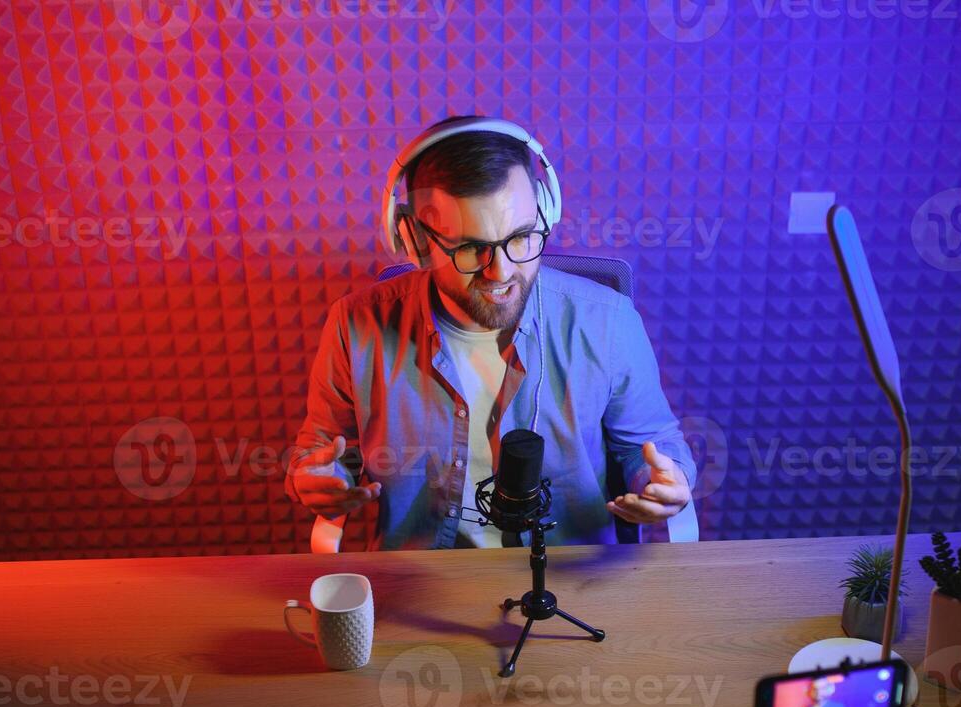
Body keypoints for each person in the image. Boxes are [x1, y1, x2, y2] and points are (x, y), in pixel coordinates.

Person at [285, 116, 697, 549]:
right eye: (469, 247)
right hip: (421, 578)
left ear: (545, 213)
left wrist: (660, 478)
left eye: (520, 237)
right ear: (414, 241)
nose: (501, 271)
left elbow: (651, 444)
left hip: (571, 579)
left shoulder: (608, 320)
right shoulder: (355, 326)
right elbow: (322, 449)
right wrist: (318, 478)